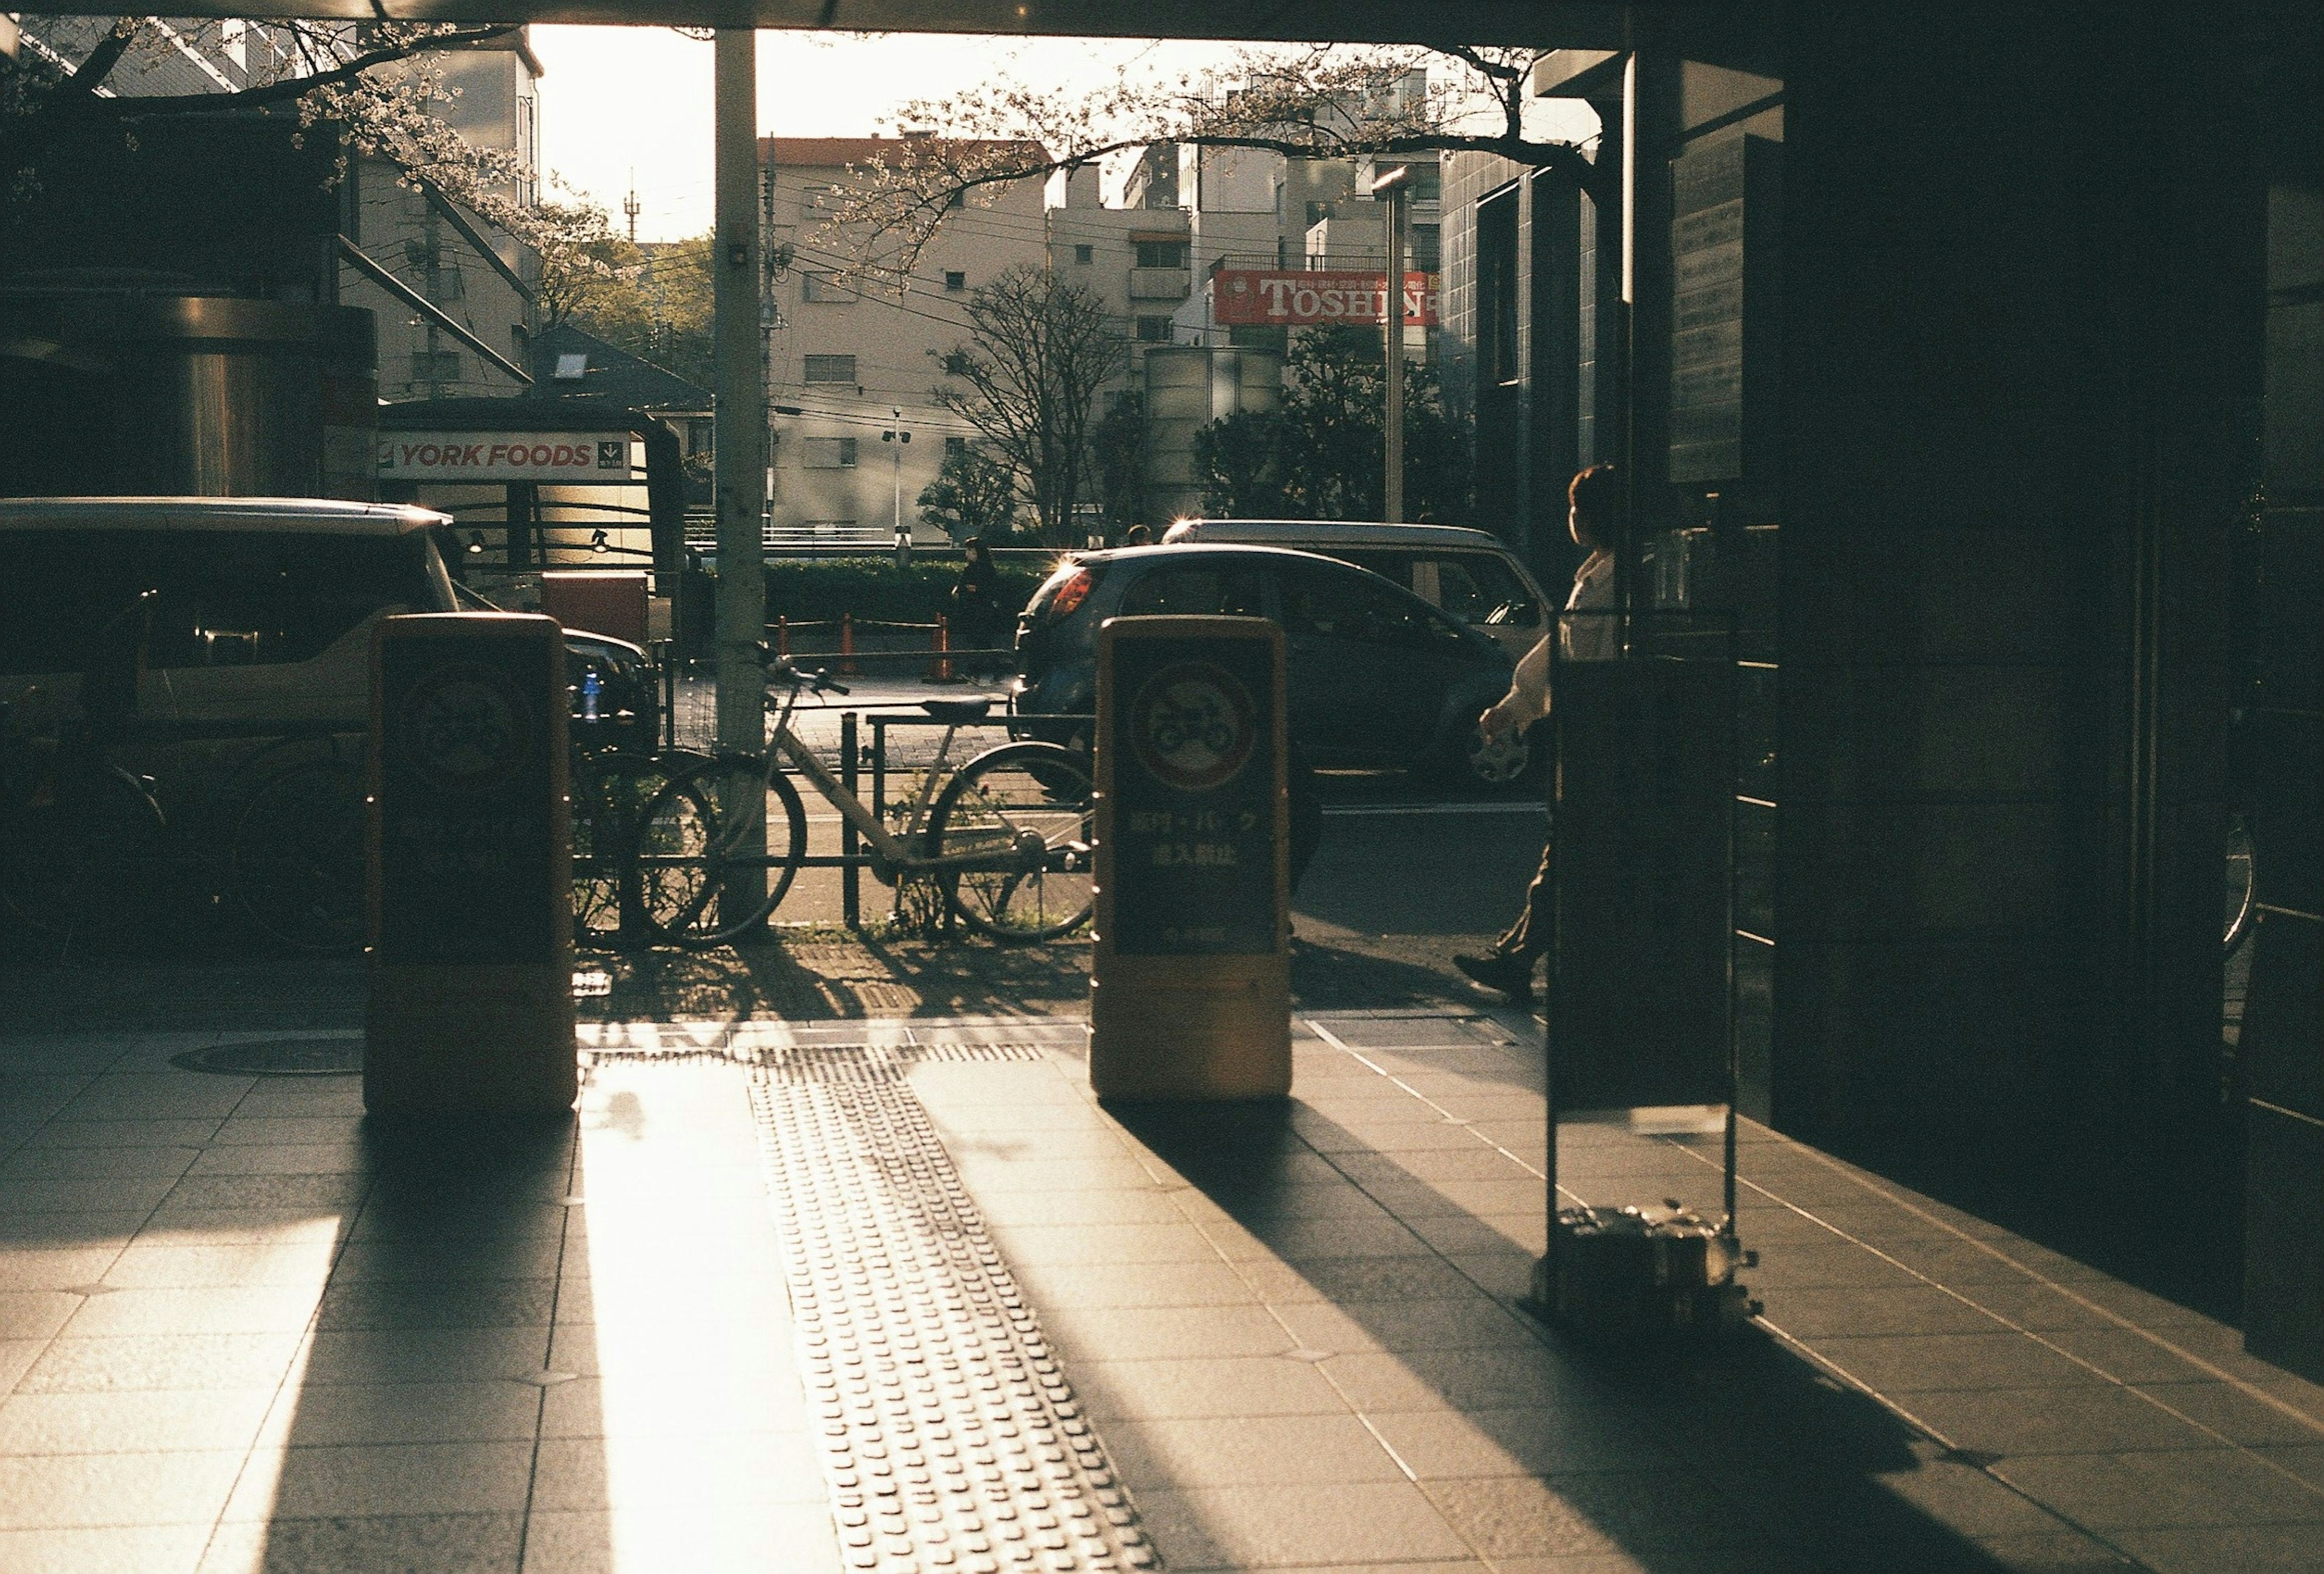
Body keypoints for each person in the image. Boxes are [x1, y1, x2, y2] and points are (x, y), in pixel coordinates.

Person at [1452, 462, 1622, 1002]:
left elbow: (1569, 658)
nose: (1571, 519)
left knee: (1569, 851)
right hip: (1589, 735)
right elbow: (1554, 655)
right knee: (1569, 850)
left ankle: (1518, 958)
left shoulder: (1614, 581)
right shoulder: (1597, 576)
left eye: (1576, 508)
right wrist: (1510, 708)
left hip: (1602, 738)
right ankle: (1516, 955)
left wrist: (1513, 708)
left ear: (1590, 516)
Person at [950, 537, 1004, 675]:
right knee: (982, 640)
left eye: (970, 550)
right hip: (974, 607)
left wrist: (976, 589)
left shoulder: (985, 569)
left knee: (981, 639)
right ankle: (993, 667)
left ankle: (978, 668)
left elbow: (992, 589)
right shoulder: (972, 569)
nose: (967, 554)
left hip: (981, 608)